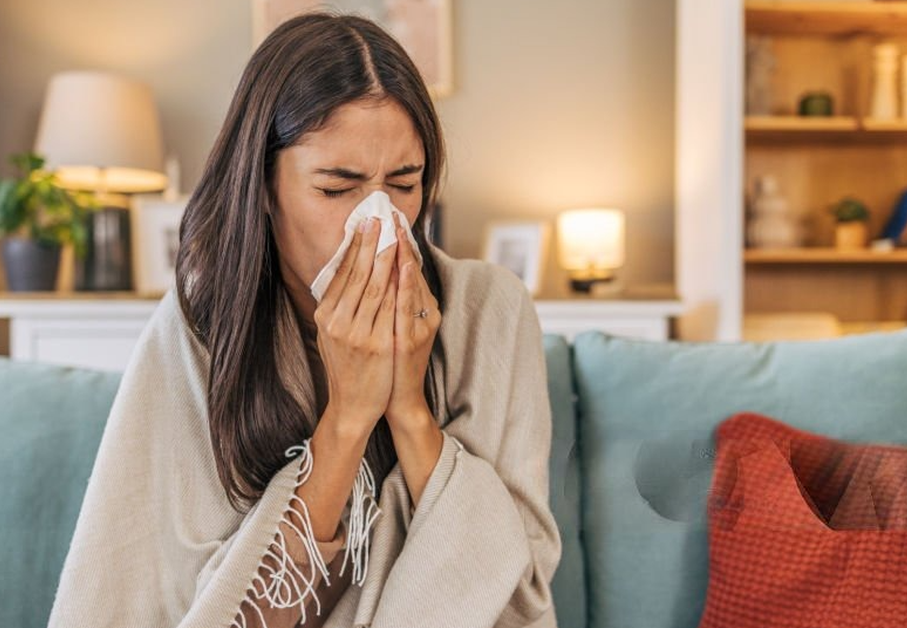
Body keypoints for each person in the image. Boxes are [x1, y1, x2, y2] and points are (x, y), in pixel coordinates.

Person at [46, 12, 560, 628]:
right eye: (336, 188)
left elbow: (517, 599)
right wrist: (347, 417)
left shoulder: (489, 312)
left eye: (404, 182)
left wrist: (407, 408)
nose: (378, 218)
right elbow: (210, 615)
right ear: (262, 186)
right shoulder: (201, 324)